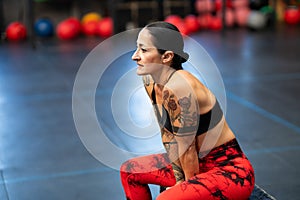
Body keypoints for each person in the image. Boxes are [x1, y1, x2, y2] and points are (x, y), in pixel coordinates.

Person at [120, 21, 255, 200]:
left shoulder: (179, 87)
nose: (135, 57)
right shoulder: (151, 81)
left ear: (166, 57)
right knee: (129, 171)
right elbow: (168, 136)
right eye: (137, 48)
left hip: (230, 171)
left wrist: (184, 189)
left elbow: (188, 148)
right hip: (196, 164)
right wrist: (178, 179)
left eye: (144, 51)